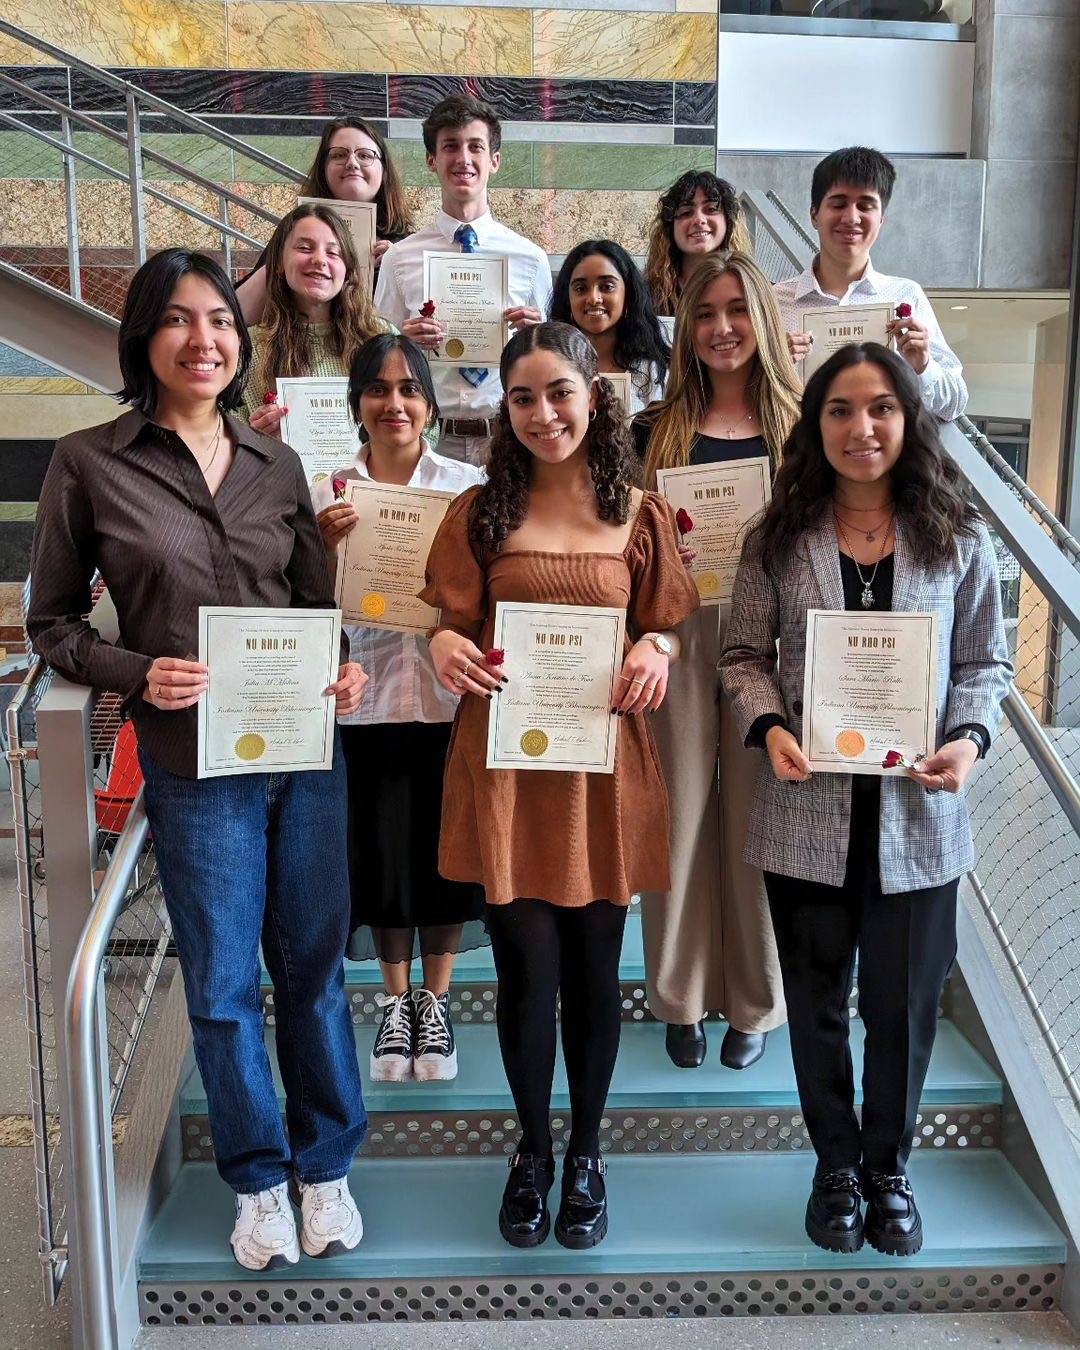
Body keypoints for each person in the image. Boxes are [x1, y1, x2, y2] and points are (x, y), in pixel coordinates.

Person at [26, 250, 370, 1271]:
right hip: (192, 762)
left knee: (312, 972)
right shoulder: (90, 462)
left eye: (221, 320)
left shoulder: (279, 467)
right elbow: (51, 621)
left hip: (303, 753)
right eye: (179, 321)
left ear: (241, 337)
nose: (205, 339)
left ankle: (328, 1166)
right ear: (143, 337)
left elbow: (315, 606)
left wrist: (342, 671)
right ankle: (259, 1179)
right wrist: (137, 671)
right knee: (221, 982)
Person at [719, 342, 1010, 1257]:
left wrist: (967, 740)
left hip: (920, 818)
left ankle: (890, 1170)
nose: (862, 427)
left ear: (908, 418)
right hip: (806, 813)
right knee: (816, 1005)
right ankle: (835, 1166)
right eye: (840, 410)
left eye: (881, 407)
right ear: (817, 425)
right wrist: (769, 728)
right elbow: (741, 658)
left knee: (905, 1007)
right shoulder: (776, 537)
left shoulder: (956, 536)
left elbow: (984, 663)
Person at [420, 322, 698, 1249]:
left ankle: (586, 1152)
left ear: (595, 394)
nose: (545, 414)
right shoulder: (479, 512)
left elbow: (664, 622)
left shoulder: (639, 510)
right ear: (504, 408)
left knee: (590, 977)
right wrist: (444, 643)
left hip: (601, 773)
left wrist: (655, 649)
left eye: (560, 393)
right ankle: (531, 1151)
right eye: (524, 397)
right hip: (509, 770)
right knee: (525, 978)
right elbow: (448, 623)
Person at [633, 251, 800, 1072]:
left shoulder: (799, 429)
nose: (722, 328)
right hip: (678, 632)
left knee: (759, 823)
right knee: (681, 819)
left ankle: (756, 1002)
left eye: (737, 309)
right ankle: (680, 993)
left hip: (774, 647)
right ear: (685, 327)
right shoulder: (656, 428)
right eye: (704, 313)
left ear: (762, 319)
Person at [311, 333, 486, 1083]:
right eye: (378, 390)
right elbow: (305, 607)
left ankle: (435, 1004)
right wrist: (322, 549)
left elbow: (487, 592)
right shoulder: (328, 492)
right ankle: (393, 1004)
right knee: (381, 857)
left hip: (449, 701)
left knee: (444, 860)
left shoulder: (465, 486)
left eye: (410, 389)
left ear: (430, 404)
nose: (395, 404)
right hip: (369, 700)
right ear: (357, 405)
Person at [375, 94, 552, 467]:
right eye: (450, 147)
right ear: (431, 160)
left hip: (507, 440)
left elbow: (550, 363)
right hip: (427, 439)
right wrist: (403, 341)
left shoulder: (530, 259)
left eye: (476, 146)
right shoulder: (399, 258)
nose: (464, 159)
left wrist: (535, 337)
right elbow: (378, 357)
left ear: (495, 161)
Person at [774, 146, 968, 421]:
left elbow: (954, 404)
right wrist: (772, 367)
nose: (851, 218)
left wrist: (923, 365)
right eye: (838, 204)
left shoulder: (905, 296)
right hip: (801, 460)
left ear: (881, 219)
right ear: (814, 214)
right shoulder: (774, 301)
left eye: (865, 206)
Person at [238, 116, 413, 326]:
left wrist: (397, 268)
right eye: (339, 155)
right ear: (324, 168)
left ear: (383, 169)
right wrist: (286, 256)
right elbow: (239, 316)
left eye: (365, 155)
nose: (352, 163)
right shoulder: (295, 229)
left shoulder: (406, 246)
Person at [240, 203, 392, 433]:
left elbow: (426, 426)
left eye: (333, 252)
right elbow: (223, 438)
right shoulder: (248, 350)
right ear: (279, 263)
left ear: (347, 268)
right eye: (304, 248)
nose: (320, 260)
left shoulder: (383, 338)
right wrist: (254, 439)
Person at [550, 239, 670, 415]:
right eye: (580, 288)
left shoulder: (654, 372)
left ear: (628, 294)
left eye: (606, 287)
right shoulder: (551, 364)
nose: (593, 298)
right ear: (567, 298)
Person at [644, 171, 752, 319]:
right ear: (671, 227)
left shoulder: (751, 288)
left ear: (728, 221)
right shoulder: (646, 295)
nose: (699, 219)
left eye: (711, 209)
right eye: (686, 212)